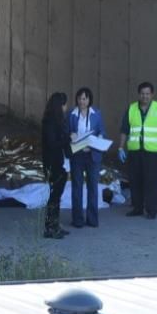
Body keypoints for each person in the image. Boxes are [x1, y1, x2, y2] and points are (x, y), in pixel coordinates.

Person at [118, 81, 157, 219]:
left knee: (151, 181)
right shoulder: (131, 109)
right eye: (142, 94)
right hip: (135, 151)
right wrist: (120, 148)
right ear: (139, 94)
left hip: (152, 152)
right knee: (135, 181)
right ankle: (137, 208)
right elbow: (124, 130)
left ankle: (151, 210)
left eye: (147, 94)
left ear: (152, 94)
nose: (145, 96)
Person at [68, 86, 106, 228]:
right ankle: (77, 219)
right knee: (77, 186)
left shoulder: (97, 113)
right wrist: (70, 135)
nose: (82, 101)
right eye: (79, 99)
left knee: (93, 187)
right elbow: (66, 131)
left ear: (89, 100)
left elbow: (102, 130)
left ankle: (92, 219)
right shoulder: (71, 114)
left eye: (84, 99)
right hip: (77, 155)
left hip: (92, 155)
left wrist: (101, 136)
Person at [40, 92, 71, 240]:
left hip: (58, 162)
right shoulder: (50, 123)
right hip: (53, 163)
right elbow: (52, 143)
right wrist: (67, 139)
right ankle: (50, 227)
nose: (67, 107)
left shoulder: (56, 121)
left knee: (57, 197)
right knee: (54, 197)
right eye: (65, 104)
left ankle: (54, 225)